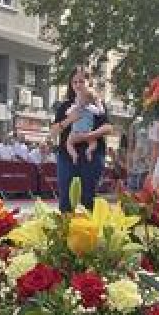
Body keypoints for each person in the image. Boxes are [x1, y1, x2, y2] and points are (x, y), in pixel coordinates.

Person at [50, 66, 112, 212]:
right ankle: (65, 229)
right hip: (67, 156)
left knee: (88, 197)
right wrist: (69, 120)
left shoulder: (97, 103)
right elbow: (53, 132)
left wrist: (88, 136)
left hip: (91, 156)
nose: (78, 85)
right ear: (71, 84)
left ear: (89, 83)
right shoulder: (65, 106)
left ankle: (88, 230)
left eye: (81, 81)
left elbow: (108, 128)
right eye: (74, 82)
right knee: (66, 196)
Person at [65, 85, 100, 163]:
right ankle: (89, 150)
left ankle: (74, 154)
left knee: (69, 144)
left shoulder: (74, 107)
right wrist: (98, 102)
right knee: (94, 143)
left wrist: (76, 107)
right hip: (87, 133)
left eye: (77, 98)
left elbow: (67, 113)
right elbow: (99, 112)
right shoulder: (91, 108)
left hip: (75, 132)